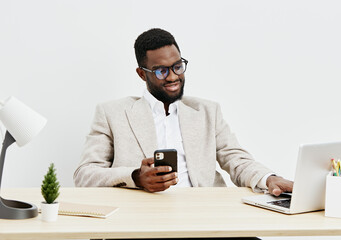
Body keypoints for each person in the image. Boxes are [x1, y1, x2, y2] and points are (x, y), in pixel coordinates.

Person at [73, 28, 293, 197]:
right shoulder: (112, 113)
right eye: (161, 71)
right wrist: (136, 177)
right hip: (143, 218)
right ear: (142, 74)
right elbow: (85, 175)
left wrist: (268, 178)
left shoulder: (207, 111)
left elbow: (237, 159)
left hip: (204, 218)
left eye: (177, 66)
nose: (172, 77)